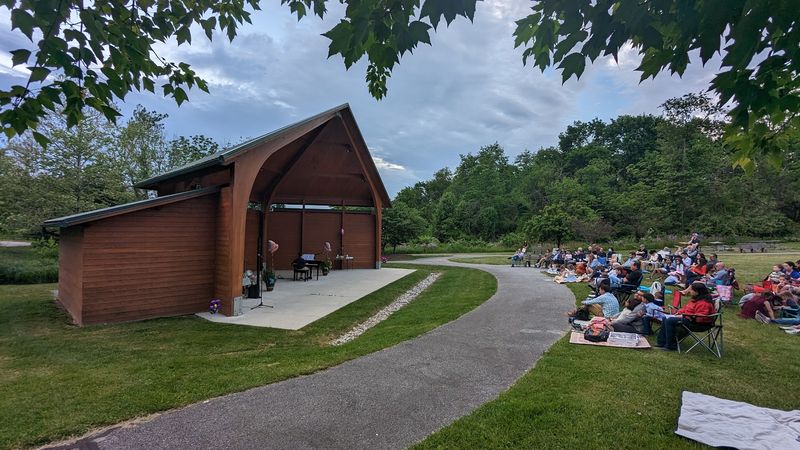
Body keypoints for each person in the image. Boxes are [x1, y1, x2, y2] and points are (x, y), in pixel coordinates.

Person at [655, 282, 716, 351]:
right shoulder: (696, 299)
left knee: (669, 320)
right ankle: (661, 342)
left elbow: (701, 317)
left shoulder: (704, 303)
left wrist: (684, 316)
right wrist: (678, 312)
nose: (690, 291)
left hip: (698, 324)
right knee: (665, 317)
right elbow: (686, 308)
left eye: (692, 290)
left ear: (697, 292)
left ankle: (671, 345)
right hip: (690, 318)